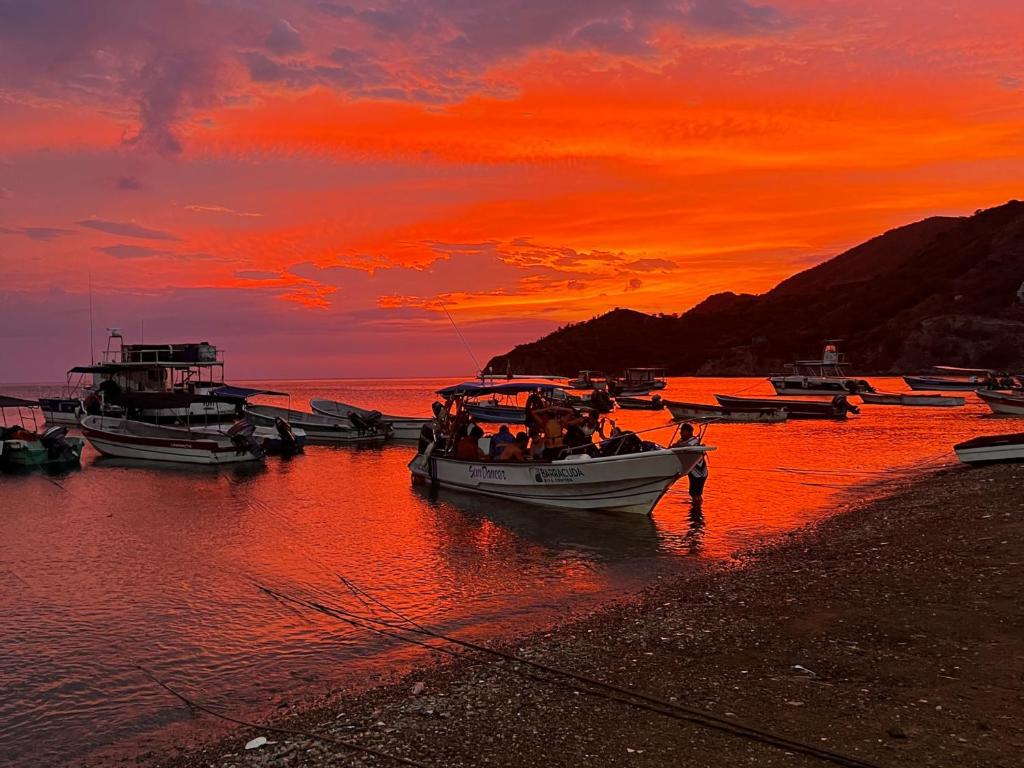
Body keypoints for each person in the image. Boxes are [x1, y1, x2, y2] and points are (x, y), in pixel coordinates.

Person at [676, 423, 708, 507]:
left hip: (699, 472)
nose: (680, 433)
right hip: (692, 471)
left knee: (696, 493)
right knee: (693, 493)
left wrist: (678, 446)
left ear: (689, 432)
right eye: (681, 431)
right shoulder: (682, 441)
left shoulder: (694, 441)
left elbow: (685, 447)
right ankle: (696, 509)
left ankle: (697, 508)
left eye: (683, 431)